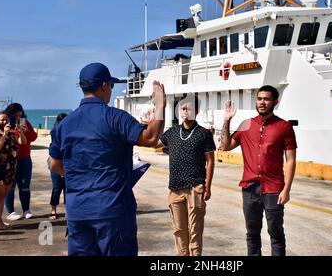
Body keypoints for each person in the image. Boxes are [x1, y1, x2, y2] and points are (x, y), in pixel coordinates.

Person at [49, 62, 166, 256]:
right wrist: (160, 105)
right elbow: (151, 137)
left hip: (77, 212)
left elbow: (54, 163)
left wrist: (80, 179)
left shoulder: (64, 124)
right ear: (104, 86)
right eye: (111, 85)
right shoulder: (116, 118)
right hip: (112, 211)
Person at [220, 85, 297, 256]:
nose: (262, 102)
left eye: (266, 99)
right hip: (249, 188)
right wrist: (226, 120)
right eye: (259, 98)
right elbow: (225, 146)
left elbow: (290, 160)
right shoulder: (245, 125)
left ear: (275, 102)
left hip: (274, 189)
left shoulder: (284, 127)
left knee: (275, 233)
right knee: (252, 233)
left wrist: (287, 189)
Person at [155, 94, 215, 256]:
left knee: (195, 231)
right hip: (175, 189)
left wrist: (207, 187)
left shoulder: (203, 134)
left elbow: (210, 161)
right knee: (179, 230)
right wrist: (157, 110)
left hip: (196, 188)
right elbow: (154, 142)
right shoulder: (172, 132)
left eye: (189, 108)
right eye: (183, 108)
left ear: (197, 111)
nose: (185, 111)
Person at [0, 112, 27, 230]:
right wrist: (4, 134)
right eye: (2, 120)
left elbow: (23, 142)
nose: (5, 122)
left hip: (9, 169)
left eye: (6, 120)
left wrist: (20, 131)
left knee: (3, 195)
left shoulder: (11, 134)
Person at [3, 103, 38, 221]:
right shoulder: (4, 123)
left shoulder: (24, 122)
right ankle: (11, 211)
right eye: (16, 114)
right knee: (10, 187)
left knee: (24, 186)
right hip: (8, 159)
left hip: (24, 158)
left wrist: (25, 130)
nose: (19, 116)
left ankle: (26, 210)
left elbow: (33, 137)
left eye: (20, 114)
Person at [48, 113, 68, 220]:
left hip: (62, 161)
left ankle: (63, 210)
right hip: (57, 160)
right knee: (58, 187)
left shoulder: (56, 130)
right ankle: (54, 209)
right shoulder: (56, 131)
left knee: (61, 187)